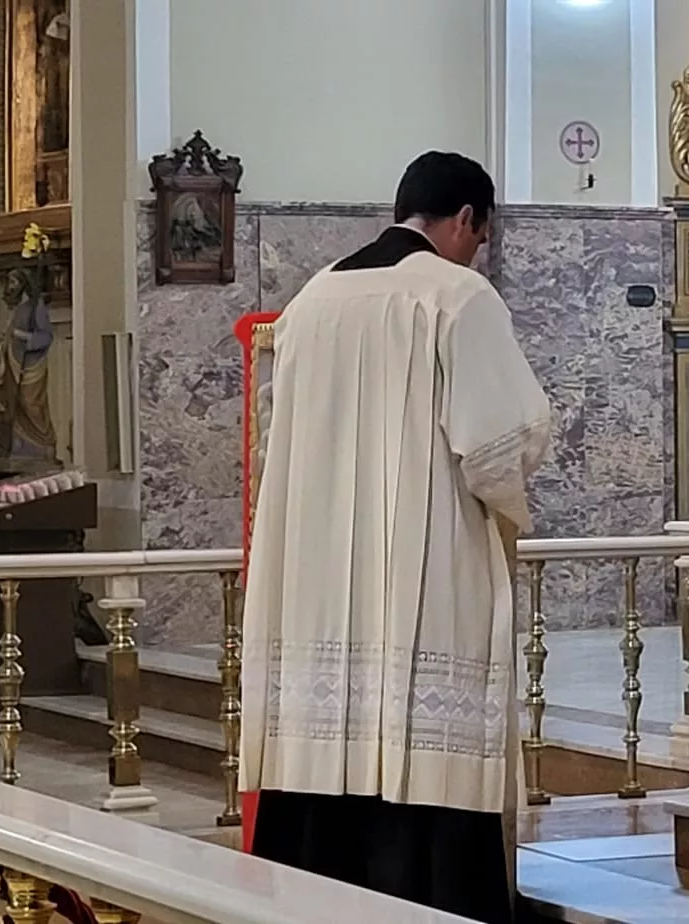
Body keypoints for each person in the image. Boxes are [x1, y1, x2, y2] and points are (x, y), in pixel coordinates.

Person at [240, 151, 551, 924]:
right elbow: (495, 448)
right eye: (480, 235)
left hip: (319, 581)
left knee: (323, 762)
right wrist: (515, 501)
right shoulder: (456, 296)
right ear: (467, 220)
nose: (477, 250)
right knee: (424, 763)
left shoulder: (312, 300)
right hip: (424, 565)